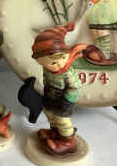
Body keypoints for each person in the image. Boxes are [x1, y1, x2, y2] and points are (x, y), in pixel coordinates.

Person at [31, 23, 86, 155]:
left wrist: (67, 101)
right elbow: (45, 78)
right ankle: (55, 132)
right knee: (49, 113)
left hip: (64, 98)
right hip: (51, 93)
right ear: (39, 61)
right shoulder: (46, 68)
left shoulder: (67, 73)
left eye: (62, 58)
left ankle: (68, 142)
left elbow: (75, 86)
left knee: (62, 119)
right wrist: (46, 89)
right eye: (52, 62)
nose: (59, 64)